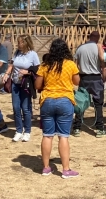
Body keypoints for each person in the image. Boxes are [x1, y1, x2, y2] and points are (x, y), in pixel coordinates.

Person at [34, 38, 80, 178]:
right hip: (65, 100)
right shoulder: (70, 64)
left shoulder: (45, 65)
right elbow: (77, 81)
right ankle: (66, 169)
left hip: (47, 100)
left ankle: (46, 167)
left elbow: (37, 85)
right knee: (63, 136)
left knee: (47, 135)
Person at [5, 34, 40, 142]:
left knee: (26, 108)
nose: (18, 44)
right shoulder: (17, 53)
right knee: (16, 108)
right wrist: (7, 74)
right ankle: (19, 130)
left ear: (25, 43)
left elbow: (38, 69)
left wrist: (28, 72)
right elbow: (11, 64)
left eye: (20, 42)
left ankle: (27, 131)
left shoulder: (33, 54)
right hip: (15, 83)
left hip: (26, 84)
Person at [72, 31, 106, 137]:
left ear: (89, 37)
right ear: (98, 38)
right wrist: (104, 77)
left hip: (84, 78)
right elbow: (103, 63)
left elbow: (75, 65)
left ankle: (77, 127)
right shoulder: (99, 48)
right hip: (96, 78)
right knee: (98, 104)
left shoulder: (80, 48)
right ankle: (100, 128)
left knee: (81, 102)